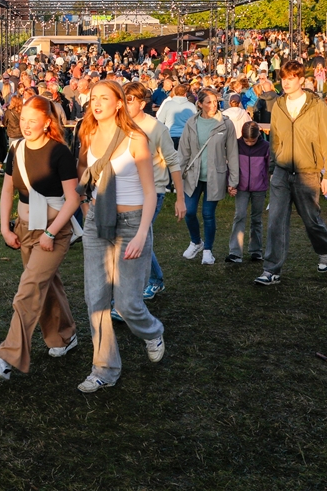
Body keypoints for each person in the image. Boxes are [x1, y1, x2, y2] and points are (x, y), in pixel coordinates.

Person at [0, 96, 81, 381]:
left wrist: (51, 233)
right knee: (46, 286)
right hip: (25, 228)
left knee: (28, 290)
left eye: (32, 120)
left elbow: (73, 199)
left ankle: (7, 357)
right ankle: (65, 337)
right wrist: (5, 228)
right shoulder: (16, 149)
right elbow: (6, 191)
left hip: (54, 229)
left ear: (47, 122)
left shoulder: (59, 152)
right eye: (22, 118)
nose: (26, 125)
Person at [76, 80, 164, 393]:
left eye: (104, 98)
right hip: (97, 222)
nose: (96, 103)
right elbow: (87, 179)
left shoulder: (136, 138)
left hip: (132, 224)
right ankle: (104, 369)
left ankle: (153, 331)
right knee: (96, 298)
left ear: (118, 103)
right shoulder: (87, 133)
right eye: (93, 98)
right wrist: (89, 208)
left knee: (127, 304)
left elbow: (150, 192)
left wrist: (142, 233)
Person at [255, 61, 327, 285]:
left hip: (308, 172)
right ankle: (271, 270)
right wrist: (273, 168)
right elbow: (275, 140)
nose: (286, 82)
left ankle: (325, 249)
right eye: (283, 78)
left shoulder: (317, 106)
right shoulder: (279, 105)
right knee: (275, 221)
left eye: (291, 78)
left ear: (301, 79)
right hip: (282, 172)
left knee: (311, 219)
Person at [123, 82, 186, 300]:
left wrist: (180, 198)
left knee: (138, 237)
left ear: (142, 103)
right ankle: (143, 283)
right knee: (130, 237)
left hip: (154, 191)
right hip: (126, 191)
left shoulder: (157, 128)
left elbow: (173, 162)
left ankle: (150, 283)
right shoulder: (119, 125)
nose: (125, 103)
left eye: (130, 99)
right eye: (124, 98)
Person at [177, 89, 239, 265]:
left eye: (215, 101)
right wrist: (178, 177)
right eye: (209, 102)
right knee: (188, 212)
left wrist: (233, 180)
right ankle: (196, 242)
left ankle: (208, 250)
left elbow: (233, 153)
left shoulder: (226, 124)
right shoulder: (191, 123)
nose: (213, 105)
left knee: (208, 213)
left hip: (215, 176)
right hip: (192, 175)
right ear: (200, 104)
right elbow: (183, 152)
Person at [226, 121, 269, 263]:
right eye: (246, 141)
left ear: (258, 136)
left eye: (253, 141)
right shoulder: (236, 145)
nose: (249, 144)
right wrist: (230, 184)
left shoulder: (266, 147)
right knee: (240, 216)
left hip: (259, 188)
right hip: (241, 187)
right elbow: (231, 166)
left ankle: (256, 251)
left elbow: (270, 167)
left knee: (257, 219)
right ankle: (235, 252)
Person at [156, 84, 196, 149]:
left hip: (170, 135)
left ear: (174, 92)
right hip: (185, 136)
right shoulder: (191, 106)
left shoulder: (168, 104)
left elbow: (160, 120)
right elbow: (194, 123)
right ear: (185, 94)